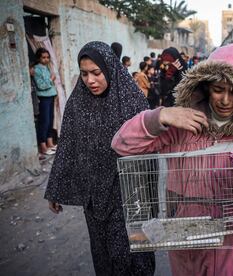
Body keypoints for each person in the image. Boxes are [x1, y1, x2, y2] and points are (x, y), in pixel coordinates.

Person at [111, 43, 233, 276]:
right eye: (218, 89)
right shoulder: (182, 121)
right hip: (190, 242)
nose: (225, 100)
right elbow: (121, 144)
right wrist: (161, 115)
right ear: (206, 86)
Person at [44, 41, 155, 276]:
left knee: (130, 253)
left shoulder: (132, 100)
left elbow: (151, 147)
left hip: (127, 195)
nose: (90, 80)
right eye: (84, 74)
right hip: (93, 197)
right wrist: (55, 188)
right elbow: (68, 145)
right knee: (103, 254)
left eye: (96, 73)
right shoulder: (77, 102)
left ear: (110, 69)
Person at [33, 48, 57, 155]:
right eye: (43, 57)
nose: (46, 59)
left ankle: (50, 143)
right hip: (43, 98)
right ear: (39, 58)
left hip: (51, 96)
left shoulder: (46, 67)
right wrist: (51, 79)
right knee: (44, 121)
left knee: (50, 120)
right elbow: (41, 86)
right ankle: (43, 146)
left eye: (47, 57)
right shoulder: (36, 69)